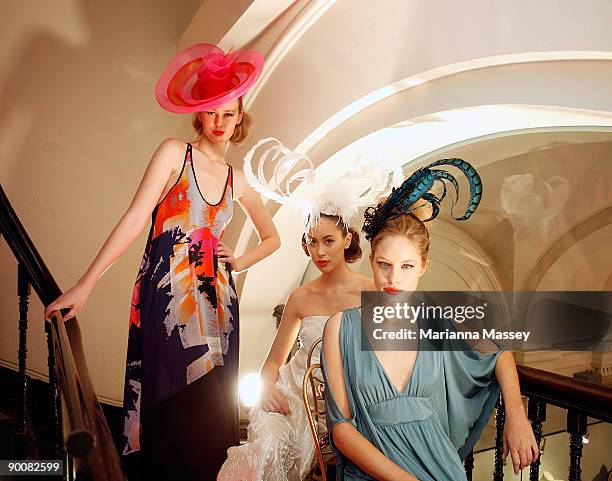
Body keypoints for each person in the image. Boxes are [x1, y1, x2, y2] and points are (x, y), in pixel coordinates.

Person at [45, 43, 280, 481]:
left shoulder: (239, 180)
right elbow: (136, 219)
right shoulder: (176, 152)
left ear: (240, 116)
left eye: (229, 114)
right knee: (172, 394)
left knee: (213, 408)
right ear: (198, 113)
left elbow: (274, 238)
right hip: (169, 297)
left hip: (219, 307)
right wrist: (86, 284)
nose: (220, 123)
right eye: (211, 112)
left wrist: (240, 261)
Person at [321, 159, 540, 481]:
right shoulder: (341, 327)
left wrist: (517, 415)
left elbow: (499, 353)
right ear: (370, 261)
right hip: (372, 472)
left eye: (407, 267)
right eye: (384, 264)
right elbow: (341, 428)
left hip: (439, 467)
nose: (393, 278)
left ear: (423, 267)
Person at [217, 139, 398, 480]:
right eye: (312, 242)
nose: (320, 251)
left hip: (338, 403)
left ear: (347, 239)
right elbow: (273, 362)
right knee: (264, 446)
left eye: (329, 241)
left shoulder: (371, 292)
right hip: (289, 395)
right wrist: (267, 387)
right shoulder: (301, 296)